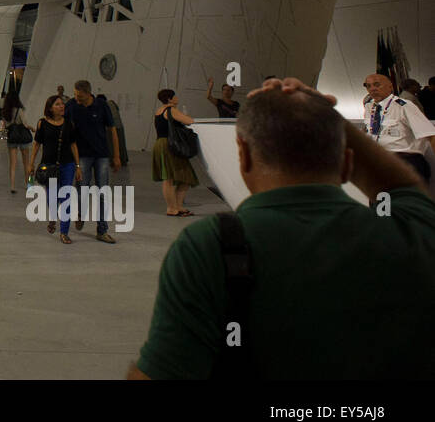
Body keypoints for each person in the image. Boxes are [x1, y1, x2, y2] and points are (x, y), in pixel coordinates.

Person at [130, 78, 435, 379]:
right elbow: (403, 187)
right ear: (346, 163)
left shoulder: (207, 247)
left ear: (244, 158)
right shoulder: (413, 233)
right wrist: (333, 124)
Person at [67, 80, 120, 243]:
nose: (77, 98)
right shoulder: (73, 106)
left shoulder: (102, 105)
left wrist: (116, 156)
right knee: (82, 187)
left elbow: (112, 130)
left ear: (88, 93)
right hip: (82, 155)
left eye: (80, 96)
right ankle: (81, 213)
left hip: (101, 155)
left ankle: (102, 230)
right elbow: (68, 131)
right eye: (75, 95)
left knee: (103, 191)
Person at [362, 72, 435, 182]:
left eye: (377, 85)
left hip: (405, 162)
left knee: (405, 198)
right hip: (379, 162)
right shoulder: (369, 107)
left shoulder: (404, 106)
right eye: (368, 86)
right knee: (381, 198)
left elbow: (430, 135)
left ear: (390, 87)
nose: (372, 89)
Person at [34, 95, 81, 244]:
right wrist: (31, 163)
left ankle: (64, 232)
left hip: (67, 165)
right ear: (50, 108)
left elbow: (73, 145)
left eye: (62, 104)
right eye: (58, 104)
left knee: (66, 197)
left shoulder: (69, 124)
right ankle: (53, 218)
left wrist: (78, 166)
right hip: (49, 167)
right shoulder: (42, 123)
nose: (61, 106)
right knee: (51, 198)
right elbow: (37, 144)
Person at [152, 90, 199, 217]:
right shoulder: (171, 110)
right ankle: (172, 208)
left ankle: (177, 206)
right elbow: (189, 121)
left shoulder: (159, 110)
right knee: (171, 178)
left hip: (162, 144)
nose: (177, 98)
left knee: (181, 177)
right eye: (175, 96)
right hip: (169, 145)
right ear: (169, 99)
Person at [0, 92, 34, 193]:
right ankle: (29, 185)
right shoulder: (19, 110)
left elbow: (5, 126)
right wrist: (33, 128)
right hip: (22, 137)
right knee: (26, 163)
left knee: (13, 163)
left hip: (12, 137)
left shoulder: (5, 111)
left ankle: (12, 186)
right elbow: (25, 124)